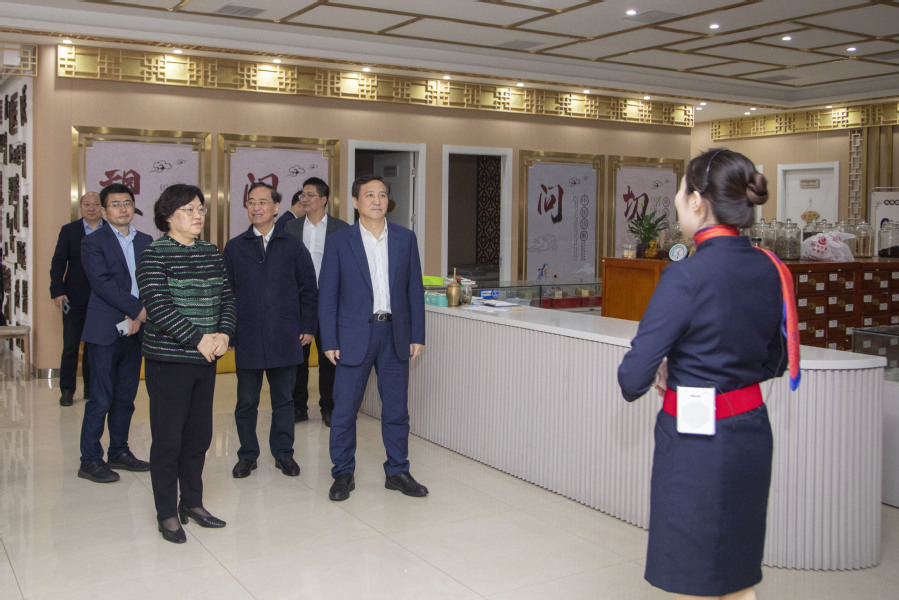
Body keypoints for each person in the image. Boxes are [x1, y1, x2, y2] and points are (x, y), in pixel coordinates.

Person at [617, 148, 800, 600]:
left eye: (681, 192)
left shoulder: (686, 276)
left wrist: (670, 367)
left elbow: (632, 378)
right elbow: (776, 361)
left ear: (697, 201)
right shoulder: (771, 268)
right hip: (751, 435)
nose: (678, 201)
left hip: (695, 446)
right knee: (738, 578)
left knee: (694, 577)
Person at [136, 184, 235, 544]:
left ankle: (192, 502)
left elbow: (227, 297)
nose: (198, 215)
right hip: (169, 361)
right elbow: (158, 307)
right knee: (168, 440)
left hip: (205, 359)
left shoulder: (210, 252)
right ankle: (166, 512)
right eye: (189, 210)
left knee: (199, 436)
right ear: (167, 216)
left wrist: (223, 333)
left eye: (200, 209)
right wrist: (199, 338)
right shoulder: (154, 254)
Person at [318, 174, 427, 501]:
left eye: (381, 194)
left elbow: (414, 291)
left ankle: (398, 471)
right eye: (369, 195)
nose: (377, 200)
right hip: (353, 336)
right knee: (344, 410)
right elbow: (328, 296)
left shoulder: (405, 238)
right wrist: (329, 340)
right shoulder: (340, 241)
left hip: (395, 334)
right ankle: (342, 473)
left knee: (396, 410)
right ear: (355, 202)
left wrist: (417, 334)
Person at [224, 182, 318, 479]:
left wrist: (307, 325)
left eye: (263, 202)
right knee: (246, 402)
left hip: (284, 335)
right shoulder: (235, 247)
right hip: (248, 336)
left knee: (284, 401)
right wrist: (228, 331)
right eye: (251, 202)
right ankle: (247, 455)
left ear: (276, 207)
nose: (256, 207)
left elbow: (308, 288)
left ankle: (283, 453)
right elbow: (226, 293)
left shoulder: (292, 245)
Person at [78, 183, 152, 483]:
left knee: (125, 397)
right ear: (104, 211)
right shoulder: (93, 242)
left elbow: (151, 281)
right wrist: (136, 310)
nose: (122, 209)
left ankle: (119, 451)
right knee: (101, 397)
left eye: (127, 203)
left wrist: (139, 313)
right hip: (106, 330)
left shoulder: (146, 240)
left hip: (136, 330)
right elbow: (102, 283)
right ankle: (89, 460)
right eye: (115, 204)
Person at [284, 176, 349, 425]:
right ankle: (298, 407)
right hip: (298, 303)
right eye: (302, 194)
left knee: (329, 357)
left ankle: (328, 408)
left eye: (310, 195)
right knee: (297, 358)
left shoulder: (341, 229)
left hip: (329, 302)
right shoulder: (290, 228)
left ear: (323, 199)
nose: (304, 199)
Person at [50, 191, 105, 406]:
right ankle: (67, 390)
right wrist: (58, 291)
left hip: (103, 299)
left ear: (102, 208)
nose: (91, 208)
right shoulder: (69, 231)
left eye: (96, 204)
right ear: (80, 207)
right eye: (87, 204)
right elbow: (58, 264)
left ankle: (91, 389)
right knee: (71, 346)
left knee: (94, 346)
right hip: (74, 297)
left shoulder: (110, 230)